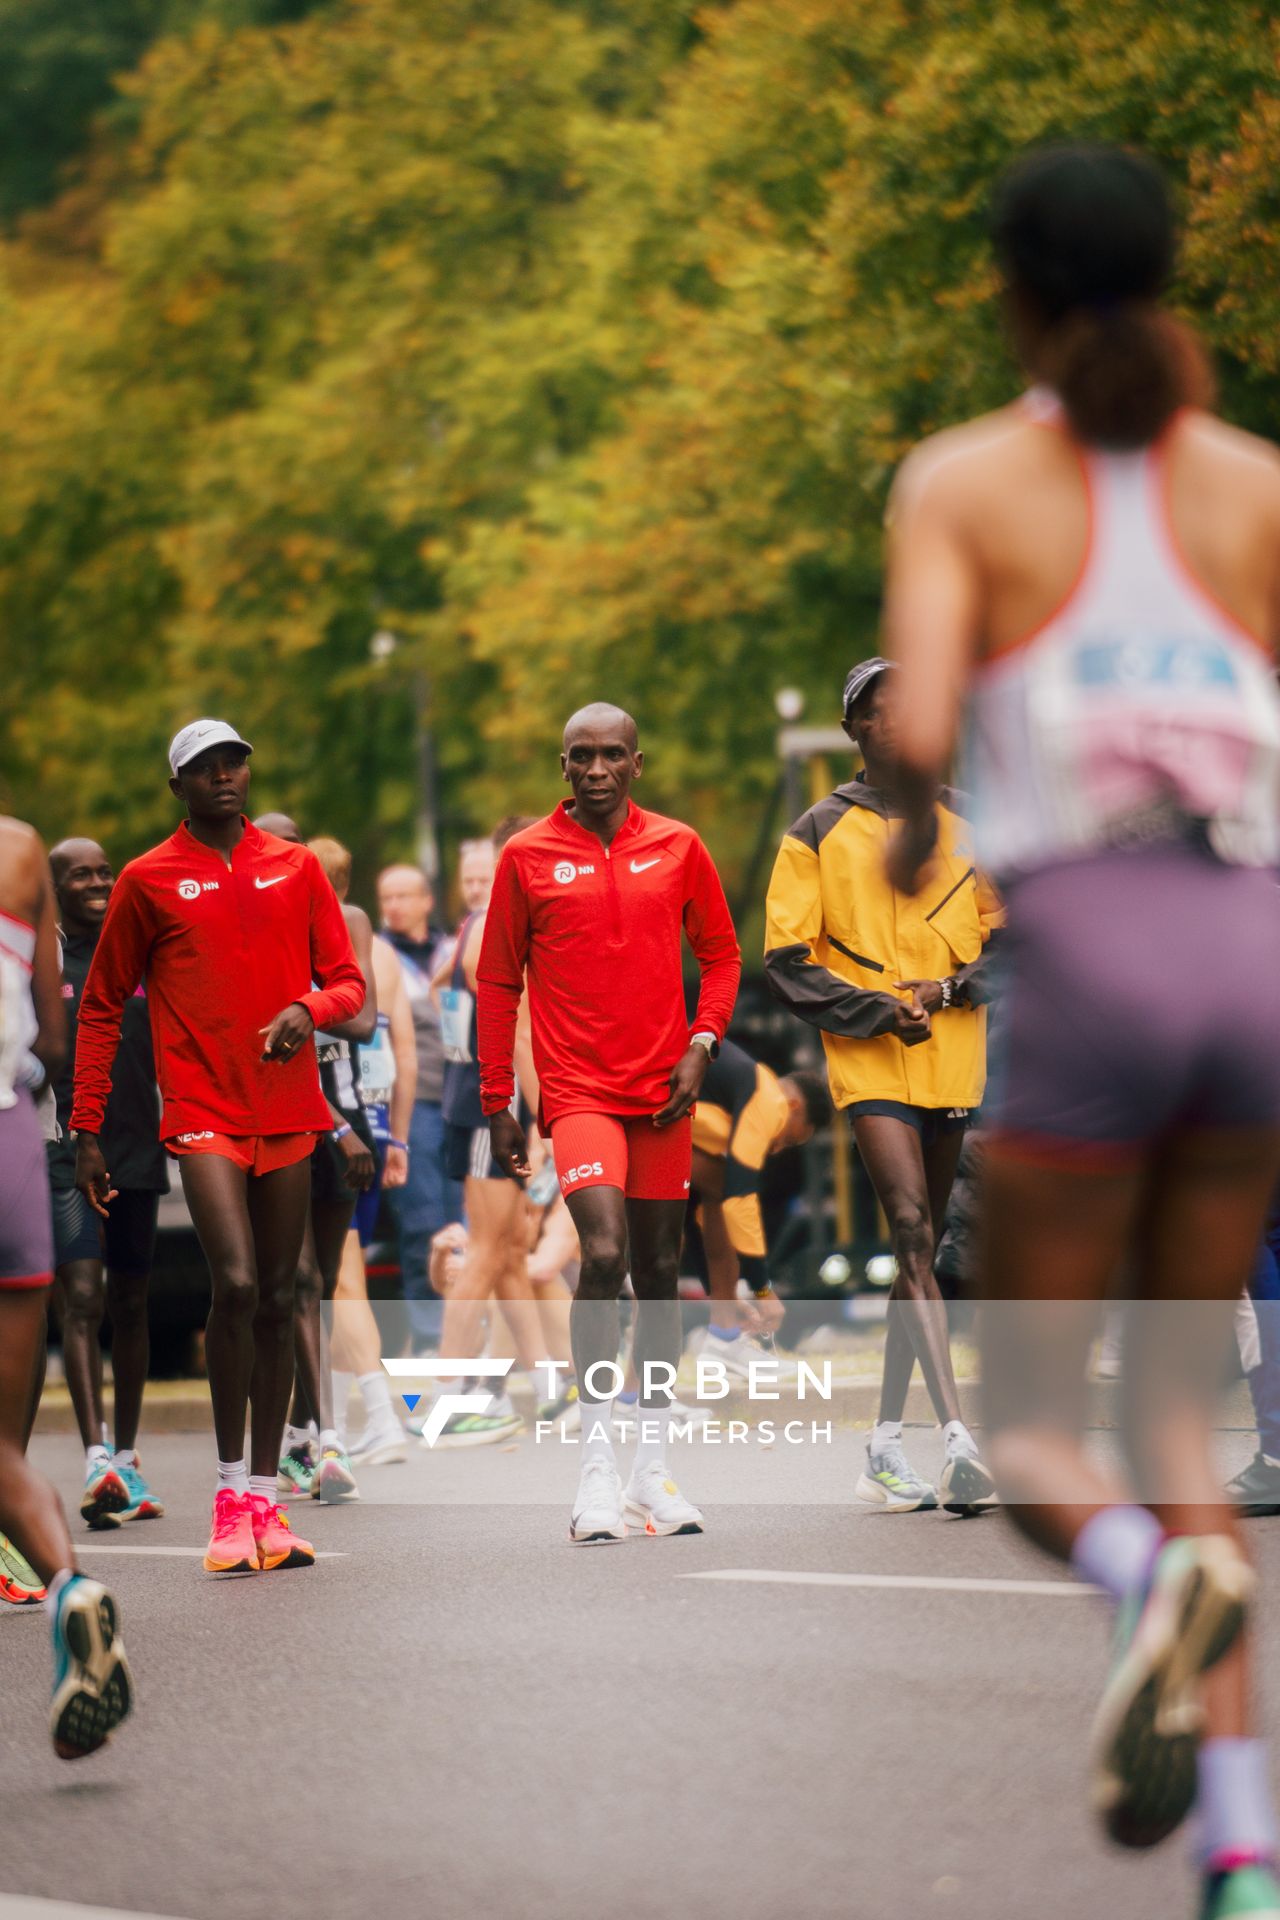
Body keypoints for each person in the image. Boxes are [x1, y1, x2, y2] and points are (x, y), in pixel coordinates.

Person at [885, 144, 1280, 1918]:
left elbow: (915, 728)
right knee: (1193, 1420)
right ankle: (1247, 1859)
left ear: (1012, 288)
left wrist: (910, 835)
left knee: (1050, 1430)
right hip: (1254, 948)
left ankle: (1137, 1574)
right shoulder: (1254, 488)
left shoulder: (969, 481)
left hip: (1097, 951)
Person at [71, 720, 366, 1577]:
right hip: (201, 1107)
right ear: (179, 788)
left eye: (234, 763)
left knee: (281, 1297)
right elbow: (99, 1005)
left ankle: (266, 1500)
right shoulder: (147, 879)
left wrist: (307, 1009)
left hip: (289, 1108)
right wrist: (85, 1126)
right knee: (234, 1281)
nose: (225, 777)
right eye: (205, 769)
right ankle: (229, 1490)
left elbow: (347, 984)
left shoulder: (296, 867)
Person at [477, 702, 740, 1543]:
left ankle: (650, 1473)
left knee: (662, 1268)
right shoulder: (526, 857)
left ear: (636, 763)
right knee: (603, 1251)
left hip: (666, 1090)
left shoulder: (679, 846)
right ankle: (594, 1470)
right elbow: (495, 984)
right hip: (580, 1090)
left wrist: (702, 1043)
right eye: (580, 756)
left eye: (612, 756)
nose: (596, 769)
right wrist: (498, 1103)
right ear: (563, 766)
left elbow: (725, 955)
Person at [764, 658, 1002, 1514]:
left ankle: (882, 1443)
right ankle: (960, 1442)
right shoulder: (815, 831)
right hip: (868, 1056)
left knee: (922, 1255)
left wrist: (947, 991)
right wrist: (872, 1010)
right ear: (853, 729)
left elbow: (1014, 942)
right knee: (907, 1224)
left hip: (953, 1050)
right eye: (876, 708)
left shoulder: (974, 822)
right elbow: (787, 961)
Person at [0, 813, 133, 1756]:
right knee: (4, 1449)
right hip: (11, 1143)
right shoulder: (17, 848)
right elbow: (52, 1035)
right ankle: (71, 1588)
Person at [251, 821, 379, 1505]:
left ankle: (301, 1431)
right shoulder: (247, 921)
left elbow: (363, 1020)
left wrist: (300, 1008)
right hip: (287, 1117)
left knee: (322, 1284)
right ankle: (328, 1441)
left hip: (348, 1120)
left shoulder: (343, 917)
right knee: (295, 1280)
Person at [47, 838, 167, 1531]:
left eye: (104, 872)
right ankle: (96, 1459)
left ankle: (127, 1455)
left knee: (131, 1296)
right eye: (80, 875)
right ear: (56, 888)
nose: (97, 883)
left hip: (138, 1144)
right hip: (66, 1149)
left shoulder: (141, 953)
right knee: (83, 1297)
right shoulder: (50, 965)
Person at [424, 817, 547, 1447]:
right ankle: (449, 1395)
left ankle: (554, 1390)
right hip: (490, 1112)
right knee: (485, 1252)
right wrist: (542, 1117)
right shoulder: (492, 927)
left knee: (510, 1256)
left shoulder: (479, 926)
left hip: (477, 1105)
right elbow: (519, 1030)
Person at [691, 1037, 830, 1373]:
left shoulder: (734, 1092)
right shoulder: (768, 1100)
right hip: (638, 1107)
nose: (779, 1148)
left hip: (642, 1107)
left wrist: (722, 1294)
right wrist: (763, 1290)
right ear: (794, 1105)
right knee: (728, 1189)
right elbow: (739, 1199)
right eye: (792, 1138)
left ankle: (723, 1335)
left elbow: (699, 1218)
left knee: (714, 1192)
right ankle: (722, 1339)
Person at [377, 862, 454, 1349]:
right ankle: (430, 1338)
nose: (395, 906)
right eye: (387, 898)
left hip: (466, 1105)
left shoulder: (453, 949)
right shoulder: (377, 957)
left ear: (427, 901)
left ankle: (472, 1336)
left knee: (466, 1224)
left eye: (405, 896)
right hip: (413, 1105)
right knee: (422, 1225)